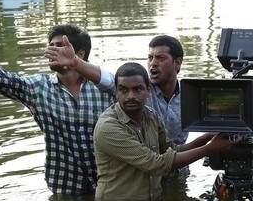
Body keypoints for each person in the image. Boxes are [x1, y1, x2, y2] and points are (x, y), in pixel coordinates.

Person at [0, 24, 114, 196]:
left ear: (79, 53)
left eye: (60, 46)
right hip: (65, 187)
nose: (51, 51)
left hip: (110, 185)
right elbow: (2, 78)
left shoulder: (105, 87)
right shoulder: (38, 88)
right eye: (51, 46)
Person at [93, 62, 237, 201]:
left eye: (138, 89)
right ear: (115, 91)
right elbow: (157, 164)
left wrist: (207, 137)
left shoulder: (150, 115)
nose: (131, 96)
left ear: (148, 90)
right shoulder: (108, 127)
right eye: (123, 90)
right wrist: (210, 148)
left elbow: (172, 150)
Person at [45, 34, 188, 145]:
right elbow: (103, 77)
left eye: (160, 58)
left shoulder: (191, 94)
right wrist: (75, 62)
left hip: (180, 168)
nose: (153, 63)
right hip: (144, 168)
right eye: (150, 58)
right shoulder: (139, 90)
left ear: (177, 63)